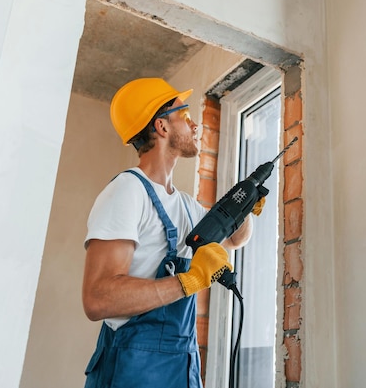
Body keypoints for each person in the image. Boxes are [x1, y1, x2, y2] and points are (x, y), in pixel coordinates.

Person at [81, 78, 260, 388]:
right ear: (161, 127)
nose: (195, 125)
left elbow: (234, 239)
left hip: (182, 365)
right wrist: (188, 281)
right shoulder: (127, 192)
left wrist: (245, 204)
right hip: (134, 368)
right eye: (186, 115)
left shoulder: (186, 205)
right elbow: (97, 299)